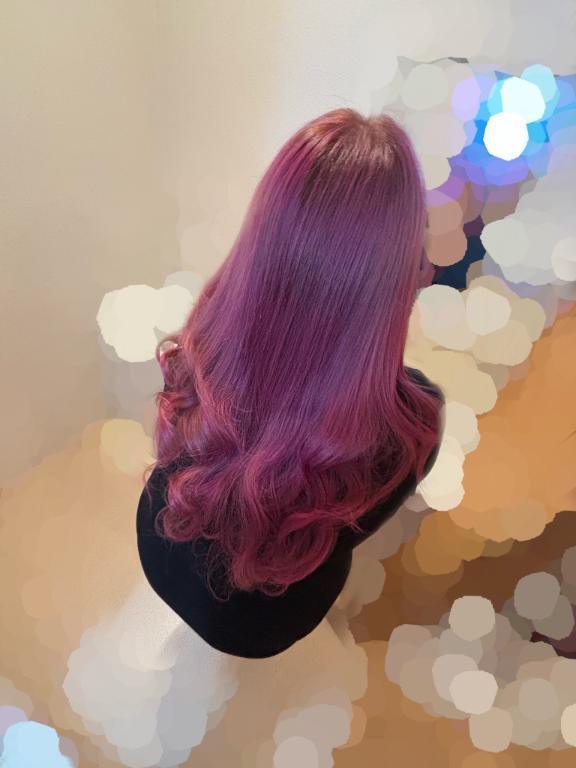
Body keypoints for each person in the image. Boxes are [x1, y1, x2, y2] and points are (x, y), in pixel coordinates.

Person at [136, 107, 445, 659]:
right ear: (395, 274)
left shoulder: (203, 345)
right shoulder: (411, 426)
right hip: (265, 619)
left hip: (159, 542)